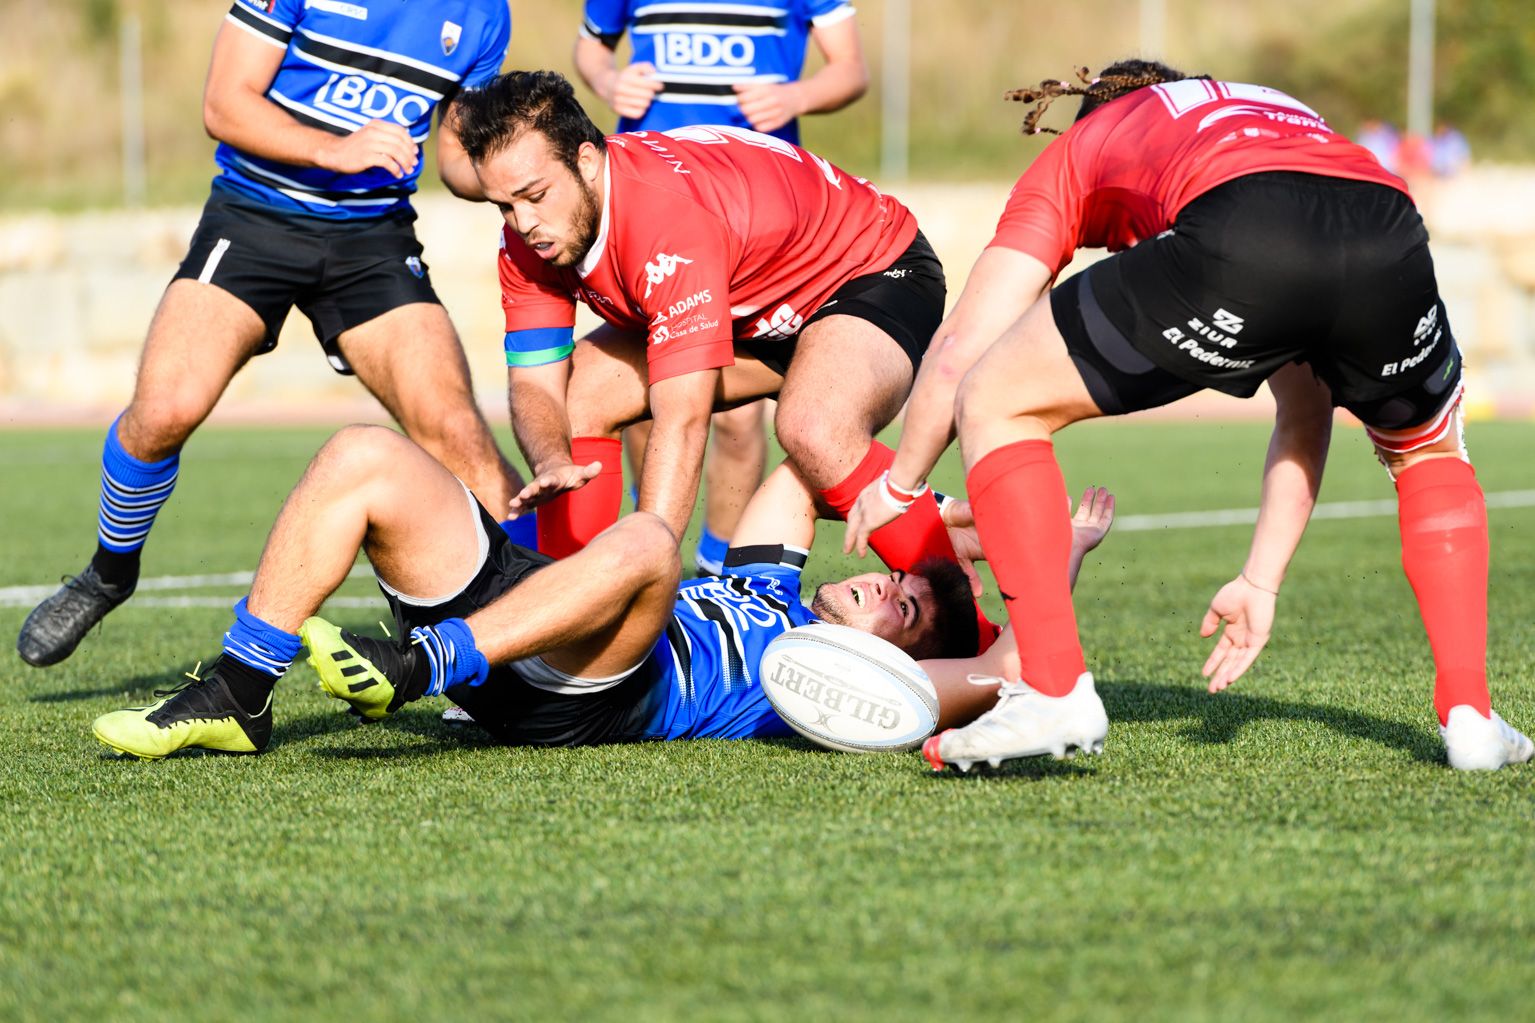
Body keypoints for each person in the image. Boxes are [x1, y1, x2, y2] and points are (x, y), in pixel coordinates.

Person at [845, 61, 1534, 772]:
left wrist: (899, 485)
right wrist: (1259, 580)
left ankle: (1050, 688)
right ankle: (1471, 717)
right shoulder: (1262, 108)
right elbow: (1305, 409)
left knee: (996, 399)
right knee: (1428, 453)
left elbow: (960, 349)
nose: (1116, 253)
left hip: (1244, 222)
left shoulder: (1081, 149)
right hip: (1386, 223)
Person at [89, 425, 1117, 759]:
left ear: (902, 655)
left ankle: (424, 667)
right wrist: (953, 531)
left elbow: (1003, 667)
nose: (878, 586)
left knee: (643, 542)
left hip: (595, 686)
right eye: (887, 574)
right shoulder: (772, 583)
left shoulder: (847, 685)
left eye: (903, 606)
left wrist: (1051, 560)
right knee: (364, 455)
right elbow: (812, 463)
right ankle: (237, 691)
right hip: (541, 607)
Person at [16, 0, 526, 669]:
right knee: (164, 411)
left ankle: (527, 642)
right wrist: (335, 150)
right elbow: (225, 103)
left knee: (462, 439)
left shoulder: (484, 15)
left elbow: (457, 157)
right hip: (256, 216)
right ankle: (110, 570)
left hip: (371, 239)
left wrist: (512, 173)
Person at [457, 70, 993, 648]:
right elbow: (537, 387)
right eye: (504, 205)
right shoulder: (526, 240)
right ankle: (554, 643)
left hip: (869, 273)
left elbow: (683, 421)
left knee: (813, 427)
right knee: (580, 395)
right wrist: (551, 459)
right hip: (753, 309)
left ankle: (989, 655)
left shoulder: (665, 223)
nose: (524, 223)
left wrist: (644, 579)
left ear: (587, 160)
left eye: (536, 196)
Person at [573, 0, 870, 577]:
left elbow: (851, 68)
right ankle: (646, 541)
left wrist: (797, 97)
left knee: (735, 416)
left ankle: (720, 571)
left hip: (748, 220)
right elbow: (591, 46)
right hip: (647, 212)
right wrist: (610, 81)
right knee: (638, 394)